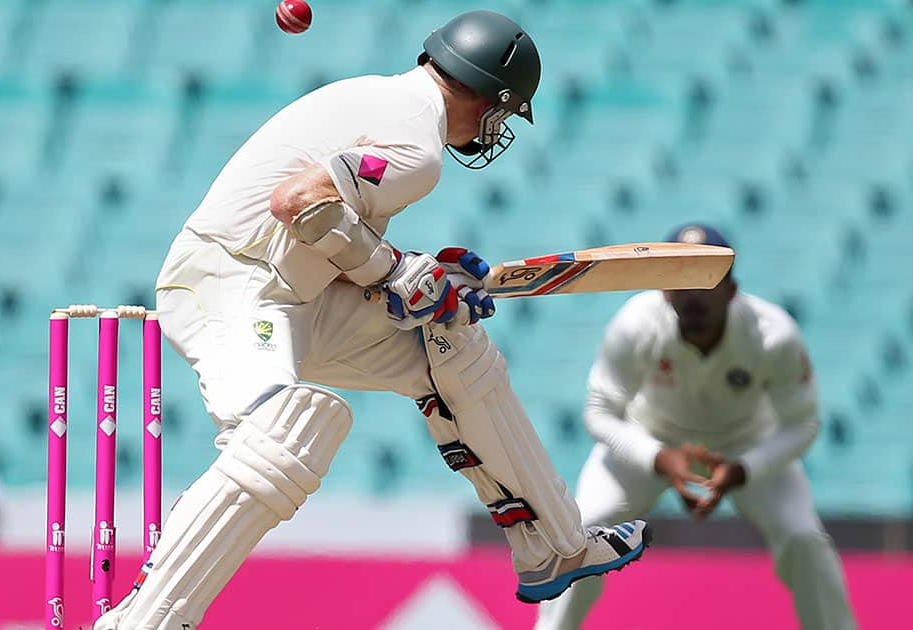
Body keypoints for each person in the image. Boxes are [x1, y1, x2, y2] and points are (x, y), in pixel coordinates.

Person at [95, 10, 649, 630]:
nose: (496, 129)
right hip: (229, 284)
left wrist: (420, 281)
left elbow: (322, 232)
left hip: (290, 292)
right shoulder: (417, 148)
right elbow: (298, 204)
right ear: (492, 103)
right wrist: (392, 271)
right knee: (289, 429)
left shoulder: (392, 105)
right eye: (503, 114)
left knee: (451, 347)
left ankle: (553, 546)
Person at [534, 224, 856, 630]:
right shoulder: (637, 324)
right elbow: (599, 412)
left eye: (706, 277)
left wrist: (742, 470)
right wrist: (660, 458)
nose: (693, 292)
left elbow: (802, 425)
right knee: (582, 538)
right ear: (664, 290)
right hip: (650, 439)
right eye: (680, 277)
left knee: (804, 540)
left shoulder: (772, 335)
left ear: (731, 289)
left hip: (744, 442)